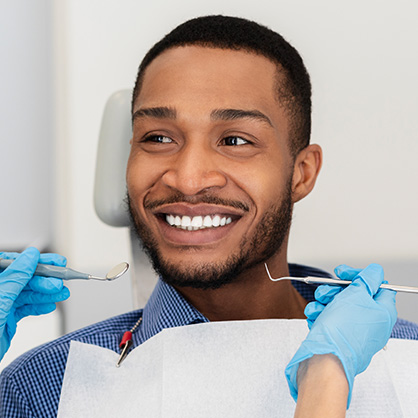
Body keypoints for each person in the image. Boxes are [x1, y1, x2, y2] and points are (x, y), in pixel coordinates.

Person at [0, 15, 415, 417]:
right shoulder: (41, 391)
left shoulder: (406, 363)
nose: (188, 178)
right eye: (158, 138)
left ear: (301, 174)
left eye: (235, 140)